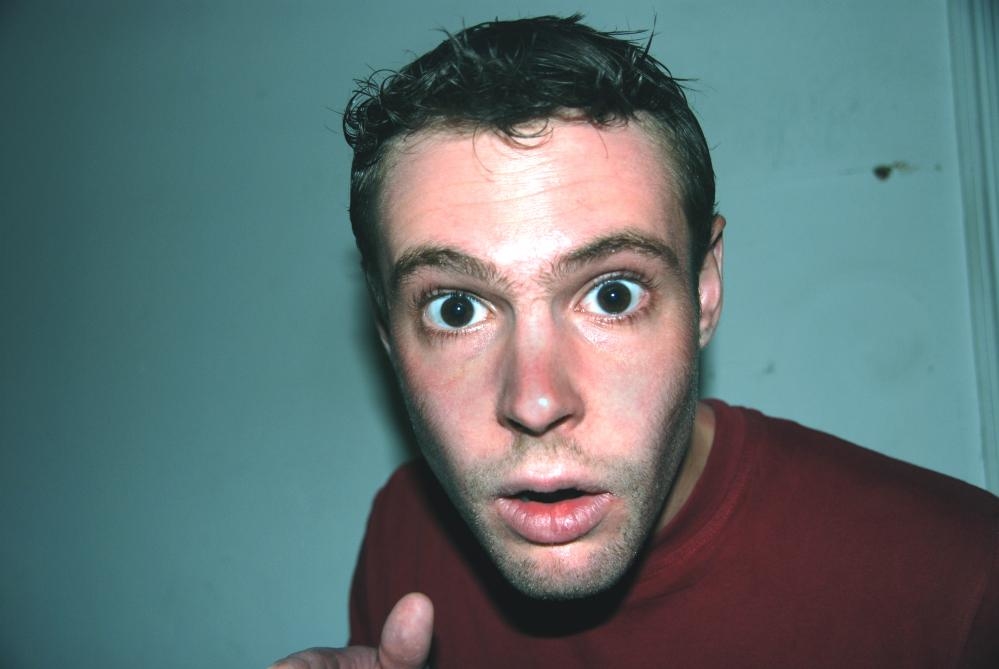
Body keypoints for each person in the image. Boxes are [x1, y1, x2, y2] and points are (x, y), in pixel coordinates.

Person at [271, 15, 999, 668]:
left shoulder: (960, 583)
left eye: (611, 294)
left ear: (704, 289)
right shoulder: (405, 532)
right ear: (387, 333)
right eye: (456, 309)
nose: (535, 402)